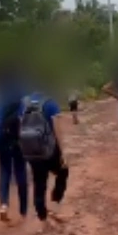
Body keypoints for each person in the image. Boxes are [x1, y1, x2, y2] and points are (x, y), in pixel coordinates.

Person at [20, 90, 69, 227]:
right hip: (49, 149)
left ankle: (43, 219)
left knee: (39, 182)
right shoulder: (50, 103)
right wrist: (63, 152)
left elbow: (20, 126)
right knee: (63, 171)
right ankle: (55, 204)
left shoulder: (24, 102)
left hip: (31, 150)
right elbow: (57, 129)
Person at [0, 67, 30, 223]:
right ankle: (23, 211)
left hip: (2, 136)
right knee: (20, 170)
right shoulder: (21, 91)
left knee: (5, 170)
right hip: (19, 136)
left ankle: (4, 204)